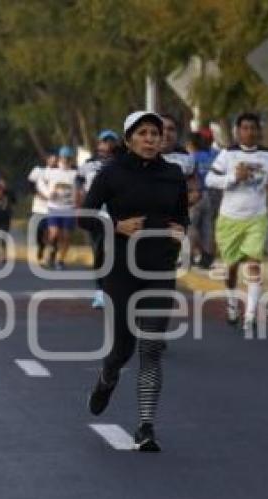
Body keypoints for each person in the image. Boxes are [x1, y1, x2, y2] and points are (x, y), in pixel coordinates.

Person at [81, 110, 189, 452]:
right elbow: (86, 215)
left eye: (155, 134)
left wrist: (180, 229)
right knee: (121, 350)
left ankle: (145, 426)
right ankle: (107, 377)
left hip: (159, 269)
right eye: (142, 133)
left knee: (152, 346)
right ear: (129, 139)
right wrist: (114, 226)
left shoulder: (173, 174)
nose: (149, 139)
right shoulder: (111, 172)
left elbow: (182, 217)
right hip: (120, 269)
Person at [205, 112, 268, 335]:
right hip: (229, 218)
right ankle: (231, 303)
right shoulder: (227, 155)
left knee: (254, 264)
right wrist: (233, 179)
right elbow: (210, 179)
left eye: (253, 128)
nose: (249, 132)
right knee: (231, 268)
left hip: (257, 217)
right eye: (244, 128)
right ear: (238, 131)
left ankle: (250, 315)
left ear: (259, 131)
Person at [79, 129, 121, 308]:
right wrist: (79, 209)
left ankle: (118, 291)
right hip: (96, 215)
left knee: (118, 253)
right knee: (100, 252)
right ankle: (100, 291)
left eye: (111, 141)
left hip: (118, 215)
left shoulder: (123, 163)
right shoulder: (88, 165)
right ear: (98, 144)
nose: (108, 144)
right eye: (105, 141)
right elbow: (79, 187)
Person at [38, 146, 83, 270]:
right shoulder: (52, 171)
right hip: (54, 207)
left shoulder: (75, 173)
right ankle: (50, 253)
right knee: (54, 233)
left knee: (66, 236)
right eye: (64, 158)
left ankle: (60, 259)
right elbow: (40, 183)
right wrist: (48, 194)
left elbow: (80, 189)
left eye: (68, 158)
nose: (66, 160)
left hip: (69, 208)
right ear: (60, 158)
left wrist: (78, 206)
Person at [186, 131, 219, 269]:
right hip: (213, 195)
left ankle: (190, 255)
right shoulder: (215, 155)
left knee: (191, 226)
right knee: (208, 227)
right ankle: (207, 257)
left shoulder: (193, 157)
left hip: (197, 194)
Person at [28, 154, 57, 263]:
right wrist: (38, 194)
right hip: (39, 207)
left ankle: (52, 254)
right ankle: (41, 247)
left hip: (55, 207)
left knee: (54, 232)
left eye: (56, 160)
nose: (53, 162)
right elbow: (30, 185)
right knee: (39, 231)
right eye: (51, 159)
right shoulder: (39, 170)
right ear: (47, 159)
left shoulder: (61, 172)